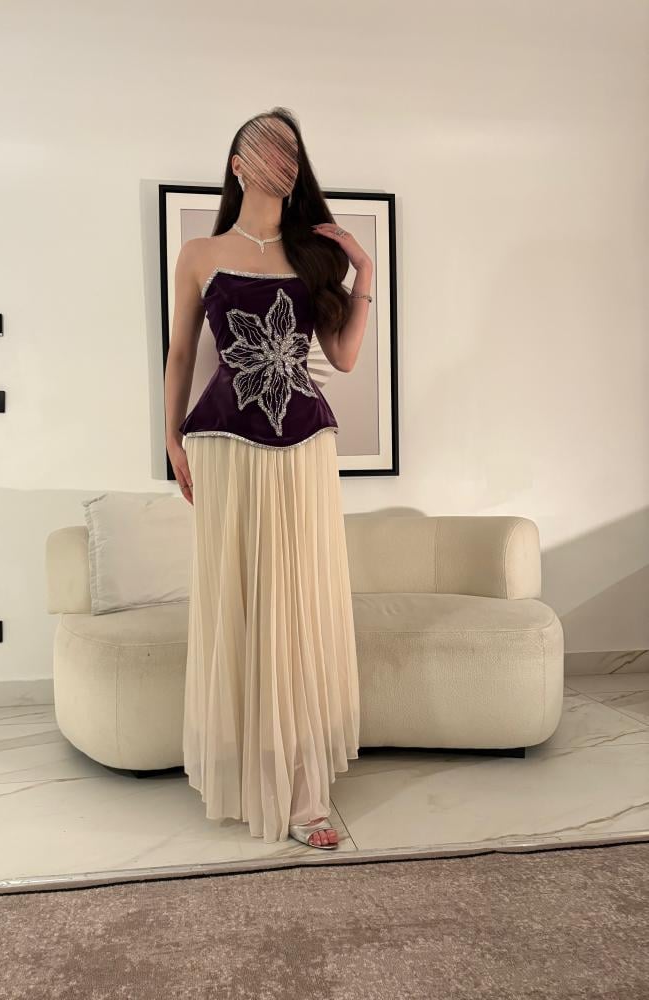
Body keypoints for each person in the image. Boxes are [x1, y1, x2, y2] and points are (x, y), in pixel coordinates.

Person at [164, 107, 373, 850]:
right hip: (225, 448)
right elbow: (182, 355)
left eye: (291, 150)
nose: (282, 159)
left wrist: (365, 270)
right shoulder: (199, 253)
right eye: (267, 148)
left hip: (305, 450)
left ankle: (306, 795)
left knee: (300, 604)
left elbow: (343, 358)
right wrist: (171, 439)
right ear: (238, 165)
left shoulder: (313, 256)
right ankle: (257, 773)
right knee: (243, 605)